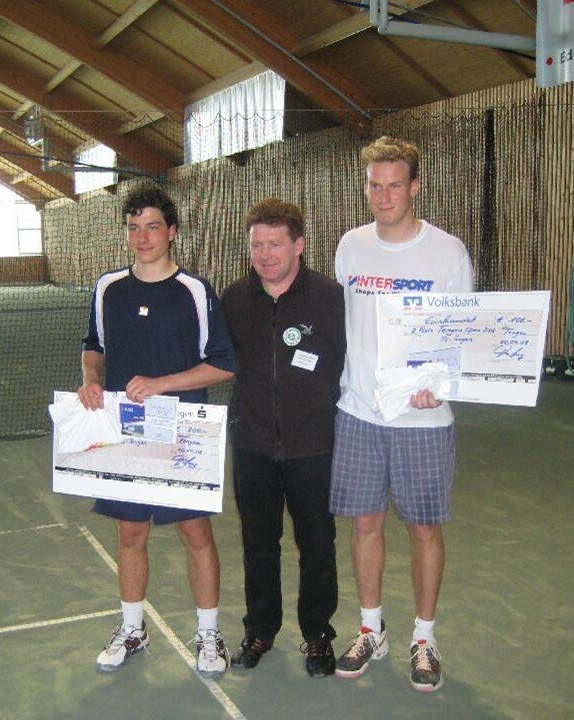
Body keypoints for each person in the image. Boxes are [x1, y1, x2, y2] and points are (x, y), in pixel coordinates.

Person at [330, 136, 473, 691]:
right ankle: (372, 629)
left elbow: (458, 337)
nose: (383, 196)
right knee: (364, 524)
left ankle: (423, 637)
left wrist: (438, 387)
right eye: (374, 185)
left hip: (423, 419)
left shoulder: (447, 252)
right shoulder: (350, 247)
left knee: (422, 529)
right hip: (359, 413)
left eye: (394, 185)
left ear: (415, 187)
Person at [78, 184, 235, 677]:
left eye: (152, 227)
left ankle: (209, 635)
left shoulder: (194, 290)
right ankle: (133, 628)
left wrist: (164, 384)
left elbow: (223, 364)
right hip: (125, 432)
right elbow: (94, 345)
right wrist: (90, 380)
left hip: (183, 433)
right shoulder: (107, 288)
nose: (142, 237)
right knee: (131, 532)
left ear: (171, 232)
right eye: (133, 228)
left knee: (196, 532)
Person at [221, 198, 346, 678]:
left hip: (313, 445)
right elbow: (212, 360)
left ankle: (317, 634)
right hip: (252, 445)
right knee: (258, 543)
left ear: (299, 245)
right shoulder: (234, 299)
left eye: (275, 244)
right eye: (257, 244)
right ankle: (260, 628)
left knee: (317, 544)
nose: (265, 254)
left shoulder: (330, 297)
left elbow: (349, 360)